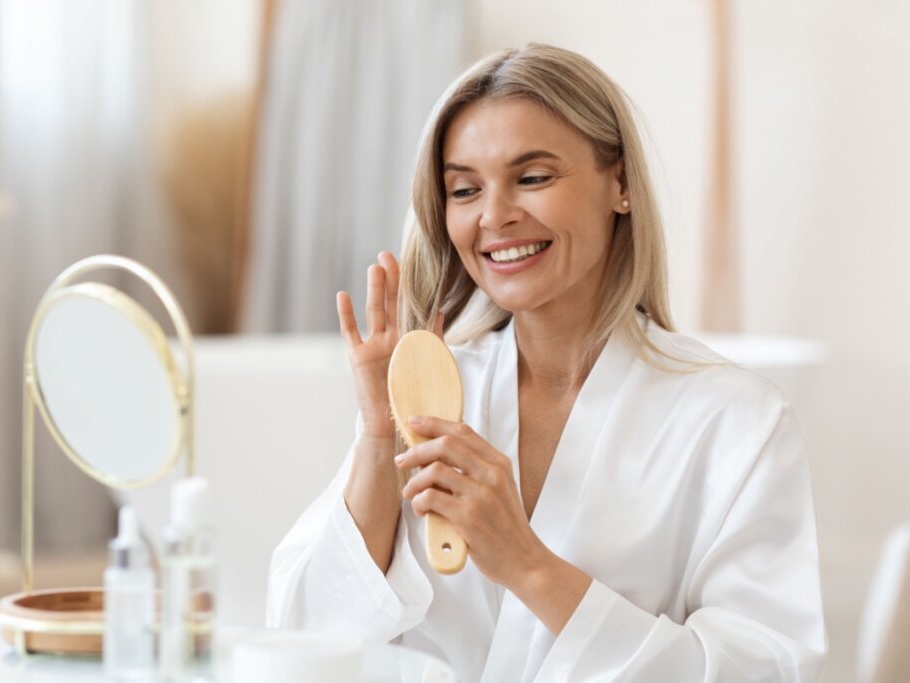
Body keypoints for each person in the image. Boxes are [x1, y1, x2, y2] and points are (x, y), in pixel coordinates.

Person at [267, 43, 827, 682]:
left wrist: (527, 564)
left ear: (621, 184)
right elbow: (302, 643)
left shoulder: (738, 420)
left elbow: (766, 673)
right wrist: (376, 439)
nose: (494, 216)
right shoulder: (436, 390)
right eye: (464, 189)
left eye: (532, 178)